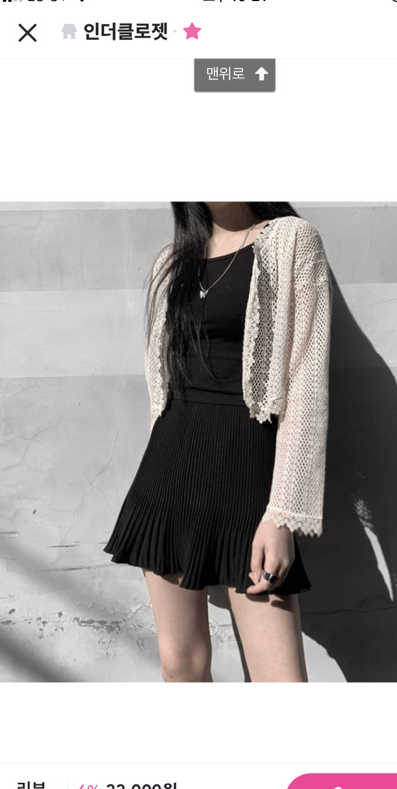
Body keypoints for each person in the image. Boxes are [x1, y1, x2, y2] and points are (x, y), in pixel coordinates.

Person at [104, 202, 333, 682]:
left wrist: (282, 514)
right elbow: (164, 382)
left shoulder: (292, 240)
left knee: (281, 682)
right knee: (181, 667)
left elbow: (307, 385)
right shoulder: (173, 260)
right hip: (168, 474)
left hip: (250, 481)